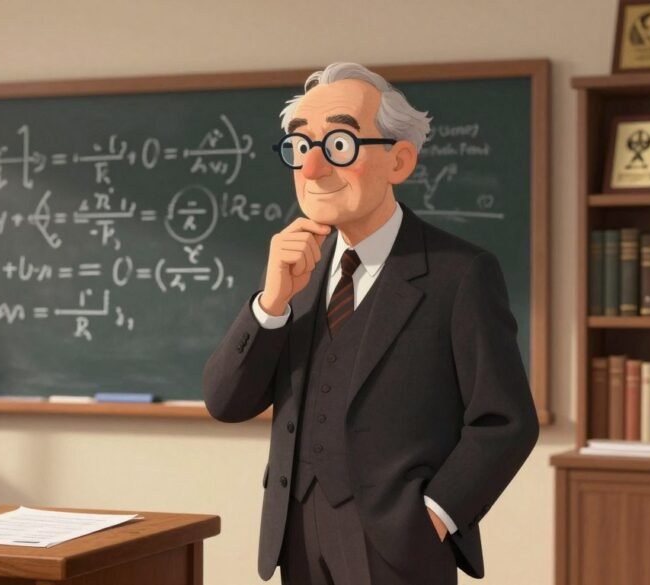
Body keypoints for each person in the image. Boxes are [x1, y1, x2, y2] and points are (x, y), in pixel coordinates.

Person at [202, 62, 539, 585]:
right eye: (300, 147)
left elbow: (506, 421)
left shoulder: (460, 274)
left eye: (338, 145)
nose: (312, 168)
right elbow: (226, 404)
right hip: (296, 538)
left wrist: (436, 515)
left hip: (402, 546)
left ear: (399, 160)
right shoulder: (295, 270)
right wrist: (270, 304)